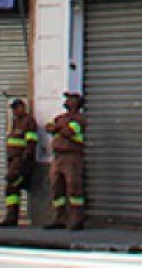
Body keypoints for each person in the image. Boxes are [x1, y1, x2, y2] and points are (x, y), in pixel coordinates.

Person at [44, 90, 86, 229]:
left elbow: (70, 132)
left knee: (74, 188)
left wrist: (58, 127)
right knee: (57, 187)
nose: (66, 101)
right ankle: (59, 219)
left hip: (72, 157)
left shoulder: (79, 119)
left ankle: (76, 220)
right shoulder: (60, 118)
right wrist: (58, 127)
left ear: (76, 102)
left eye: (70, 99)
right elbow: (48, 127)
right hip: (58, 157)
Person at [0, 97, 36, 227]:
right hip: (13, 161)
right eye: (13, 109)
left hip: (20, 162)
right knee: (11, 188)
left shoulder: (28, 122)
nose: (14, 111)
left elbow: (31, 142)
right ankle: (11, 216)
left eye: (16, 108)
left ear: (22, 107)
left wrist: (24, 161)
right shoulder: (15, 122)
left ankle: (11, 218)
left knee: (12, 186)